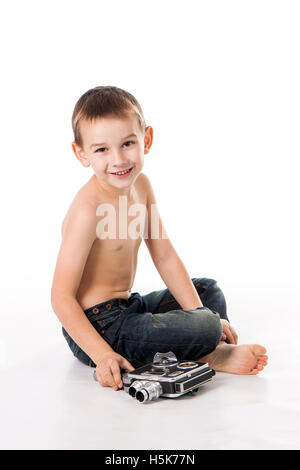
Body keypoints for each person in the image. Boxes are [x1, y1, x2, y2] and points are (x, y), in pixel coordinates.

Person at [51, 86, 268, 392]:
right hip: (98, 329)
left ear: (146, 140)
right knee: (207, 324)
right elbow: (61, 297)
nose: (118, 159)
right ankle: (211, 353)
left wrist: (199, 313)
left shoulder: (142, 187)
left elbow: (164, 256)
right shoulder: (88, 209)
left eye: (127, 143)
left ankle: (204, 344)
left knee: (208, 292)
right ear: (81, 154)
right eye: (101, 150)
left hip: (128, 308)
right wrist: (101, 355)